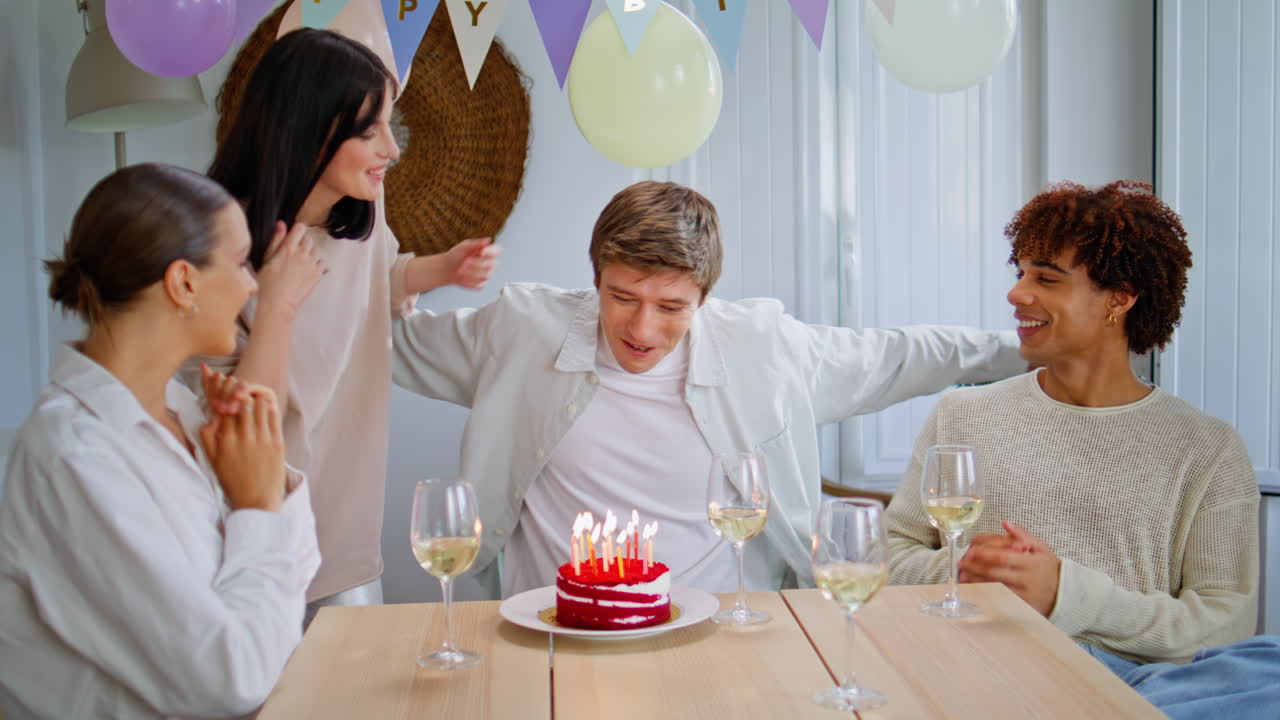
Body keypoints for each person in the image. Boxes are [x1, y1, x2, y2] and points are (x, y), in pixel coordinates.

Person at [392, 180, 1026, 598]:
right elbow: (380, 342)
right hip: (555, 632)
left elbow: (900, 356)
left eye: (671, 307)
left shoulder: (763, 350)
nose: (642, 328)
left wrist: (1031, 349)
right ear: (595, 281)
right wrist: (397, 272)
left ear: (705, 296)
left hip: (720, 636)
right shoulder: (522, 333)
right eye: (622, 297)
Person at [884, 180, 1278, 718]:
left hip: (1142, 684)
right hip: (985, 662)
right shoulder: (965, 414)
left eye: (1046, 278)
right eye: (1020, 272)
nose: (1017, 293)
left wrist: (1066, 594)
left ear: (1120, 298)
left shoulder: (1207, 448)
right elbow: (887, 555)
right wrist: (972, 571)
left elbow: (1223, 626)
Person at [0, 163, 319, 718]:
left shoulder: (187, 412)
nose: (251, 285)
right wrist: (259, 506)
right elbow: (230, 678)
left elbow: (288, 592)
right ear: (183, 283)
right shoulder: (73, 456)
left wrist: (263, 473)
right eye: (243, 262)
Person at [202, 28, 499, 620]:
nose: (393, 149)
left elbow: (375, 277)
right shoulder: (218, 245)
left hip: (345, 536)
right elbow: (232, 420)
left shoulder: (357, 216)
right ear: (311, 131)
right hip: (248, 535)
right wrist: (277, 307)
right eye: (371, 132)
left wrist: (442, 269)